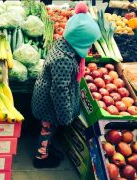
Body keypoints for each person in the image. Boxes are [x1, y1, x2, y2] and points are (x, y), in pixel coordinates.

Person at [31, 2, 101, 168]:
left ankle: (47, 148)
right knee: (47, 129)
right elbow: (59, 91)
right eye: (88, 43)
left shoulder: (64, 44)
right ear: (80, 42)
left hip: (45, 96)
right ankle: (41, 158)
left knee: (49, 128)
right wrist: (64, 115)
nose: (90, 46)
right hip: (50, 104)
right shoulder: (64, 60)